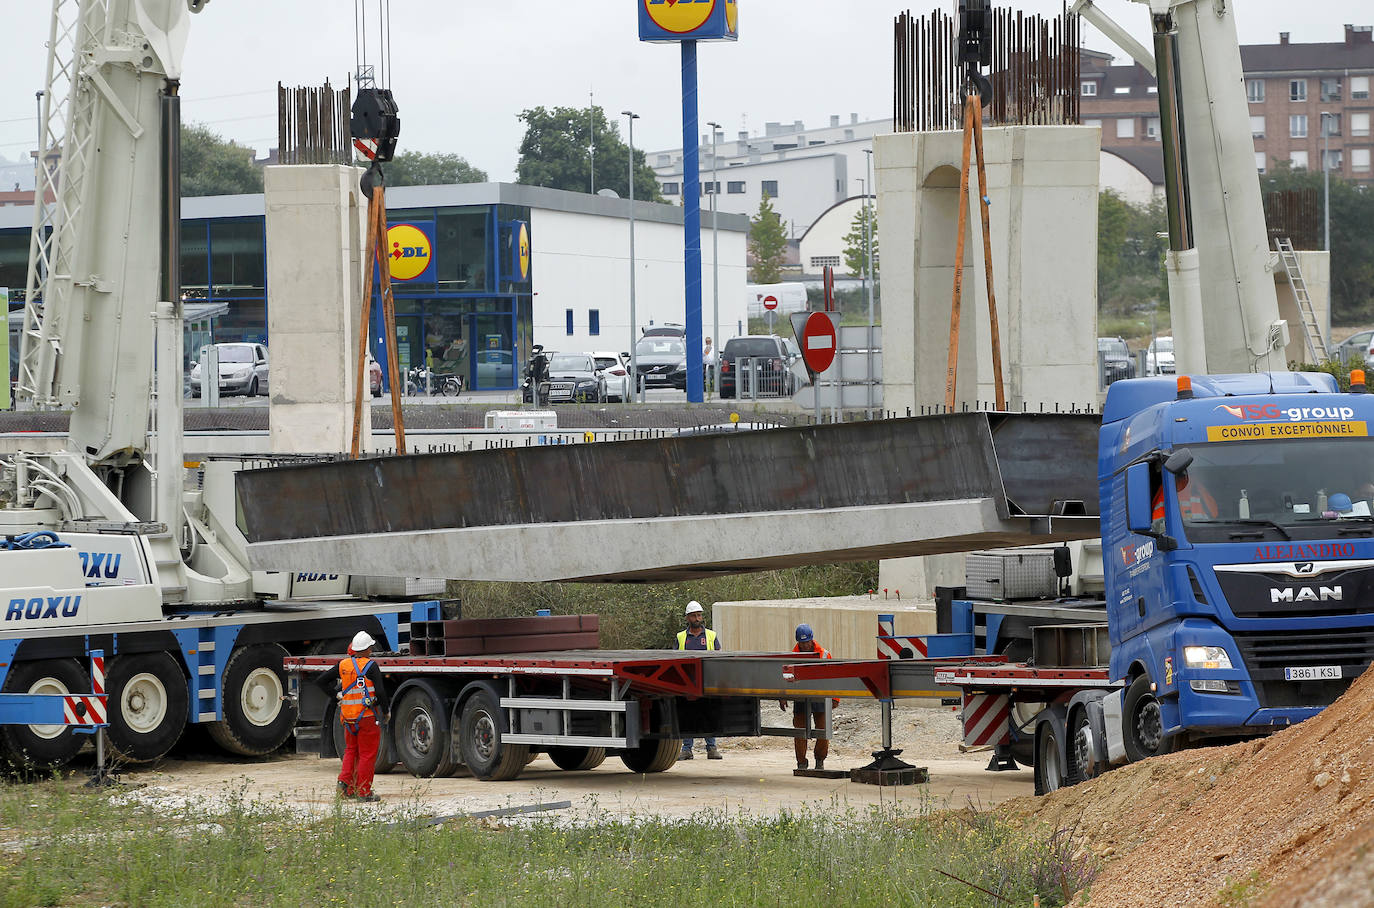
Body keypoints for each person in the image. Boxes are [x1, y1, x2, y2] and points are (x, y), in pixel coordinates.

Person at [315, 631, 391, 802]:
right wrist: (385, 711)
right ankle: (363, 792)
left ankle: (344, 788)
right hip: (367, 718)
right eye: (370, 647)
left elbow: (320, 681)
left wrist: (336, 696)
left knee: (350, 751)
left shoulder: (343, 665)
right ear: (366, 649)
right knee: (367, 754)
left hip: (348, 719)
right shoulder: (371, 666)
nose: (371, 650)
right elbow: (380, 692)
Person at [779, 624, 837, 770]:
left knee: (823, 730)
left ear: (812, 640)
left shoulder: (824, 654)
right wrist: (783, 695)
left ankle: (820, 760)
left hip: (821, 697)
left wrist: (835, 698)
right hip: (801, 698)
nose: (805, 645)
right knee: (800, 731)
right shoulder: (792, 657)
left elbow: (834, 677)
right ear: (797, 641)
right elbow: (785, 677)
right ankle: (801, 763)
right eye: (802, 643)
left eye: (807, 642)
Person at [675, 601, 722, 760]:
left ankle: (712, 748)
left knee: (708, 713)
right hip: (687, 682)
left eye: (699, 615)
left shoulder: (711, 635)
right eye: (694, 615)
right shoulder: (681, 637)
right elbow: (673, 660)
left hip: (706, 681)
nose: (697, 618)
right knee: (688, 714)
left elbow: (719, 657)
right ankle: (687, 749)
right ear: (688, 618)